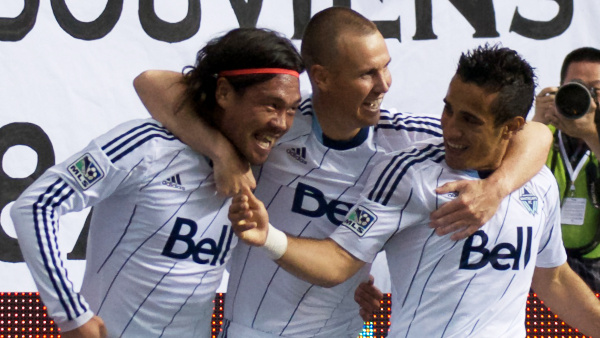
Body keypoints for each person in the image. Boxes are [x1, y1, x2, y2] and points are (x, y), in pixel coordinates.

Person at [135, 8, 553, 337]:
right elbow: (150, 81)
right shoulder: (273, 127)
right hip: (257, 329)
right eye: (367, 73)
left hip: (352, 330)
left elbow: (533, 132)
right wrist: (222, 153)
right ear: (322, 77)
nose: (384, 83)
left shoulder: (408, 139)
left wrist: (496, 188)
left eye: (385, 66)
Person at [229, 44, 600, 337]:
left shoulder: (538, 181)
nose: (450, 128)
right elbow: (338, 260)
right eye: (448, 109)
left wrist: (496, 187)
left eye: (470, 120)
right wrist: (270, 238)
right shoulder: (406, 172)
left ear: (511, 127)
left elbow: (553, 277)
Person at [10, 27, 304, 338]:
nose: (282, 123)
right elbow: (35, 206)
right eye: (271, 105)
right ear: (224, 93)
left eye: (292, 110)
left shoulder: (261, 163)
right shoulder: (146, 145)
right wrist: (71, 314)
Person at [532, 47, 600, 294]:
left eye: (597, 90)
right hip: (541, 265)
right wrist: (537, 122)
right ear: (561, 89)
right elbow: (510, 180)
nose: (588, 98)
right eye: (577, 87)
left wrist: (591, 135)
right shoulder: (542, 134)